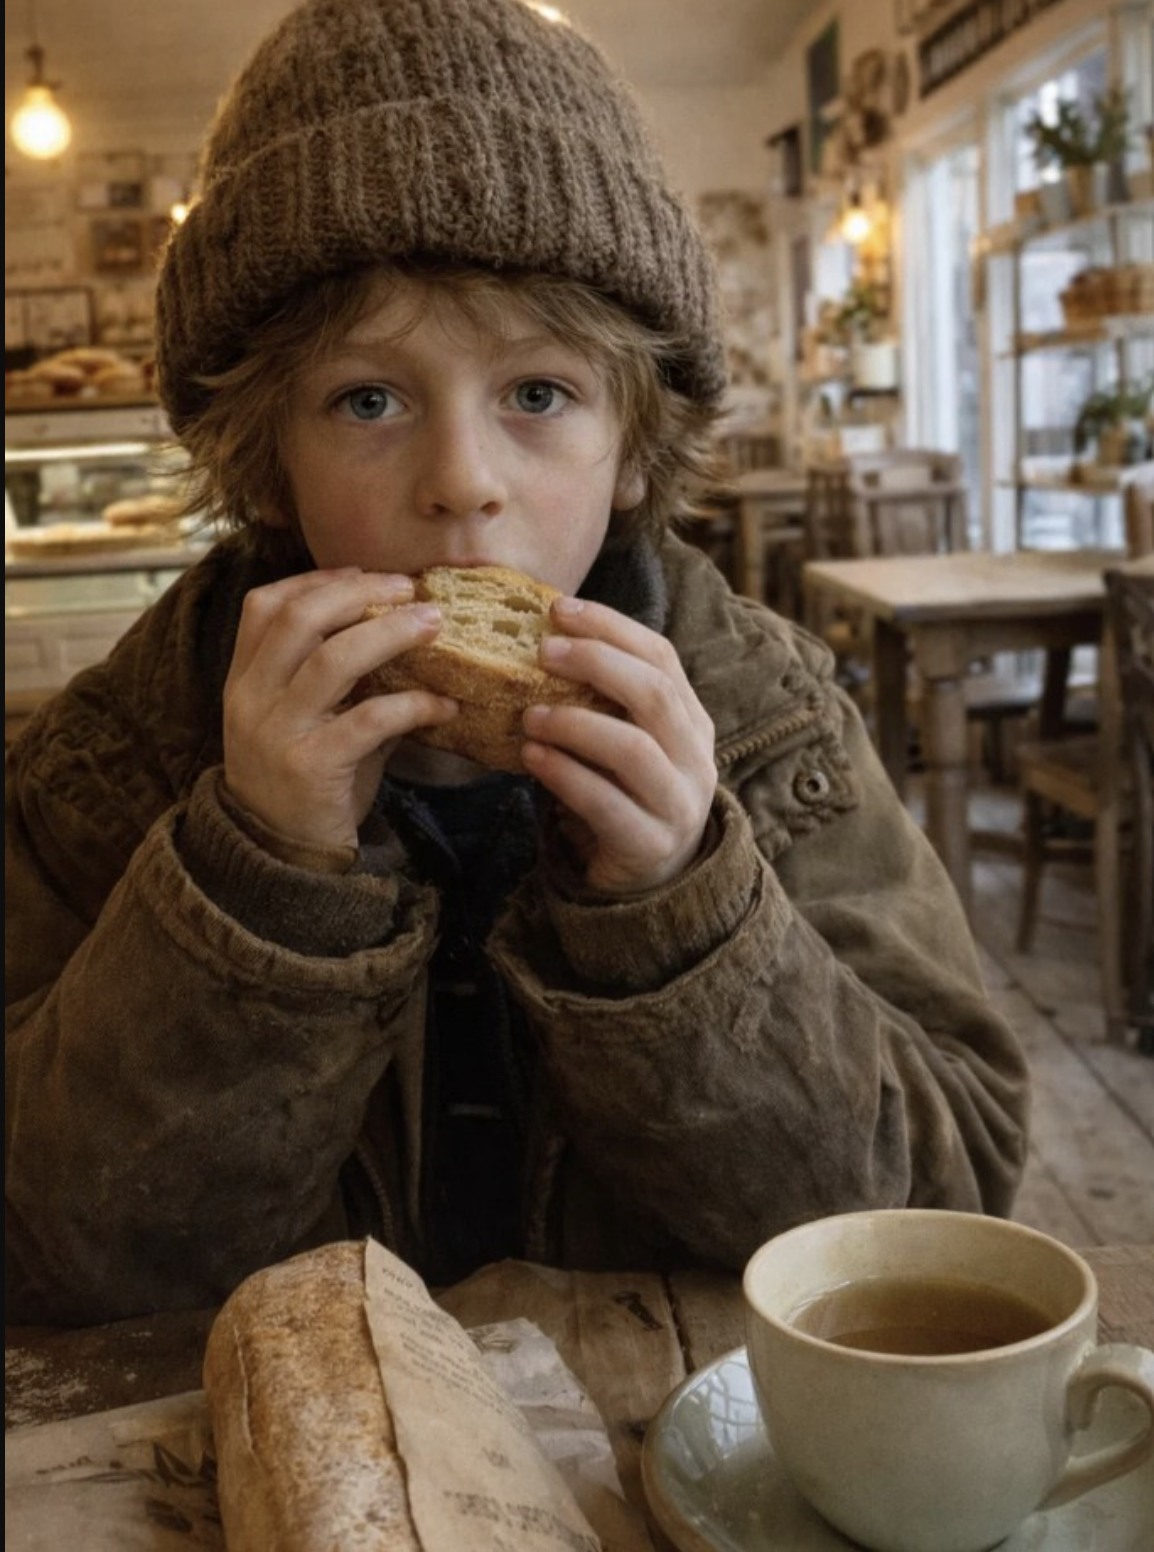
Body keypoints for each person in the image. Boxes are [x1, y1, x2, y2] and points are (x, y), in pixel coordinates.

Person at [5, 0, 1028, 1326]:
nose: (461, 486)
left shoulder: (774, 731)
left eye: (537, 395)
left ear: (636, 446)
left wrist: (682, 913)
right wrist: (254, 889)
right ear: (265, 458)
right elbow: (52, 1259)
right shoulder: (110, 764)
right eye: (365, 400)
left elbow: (938, 1212)